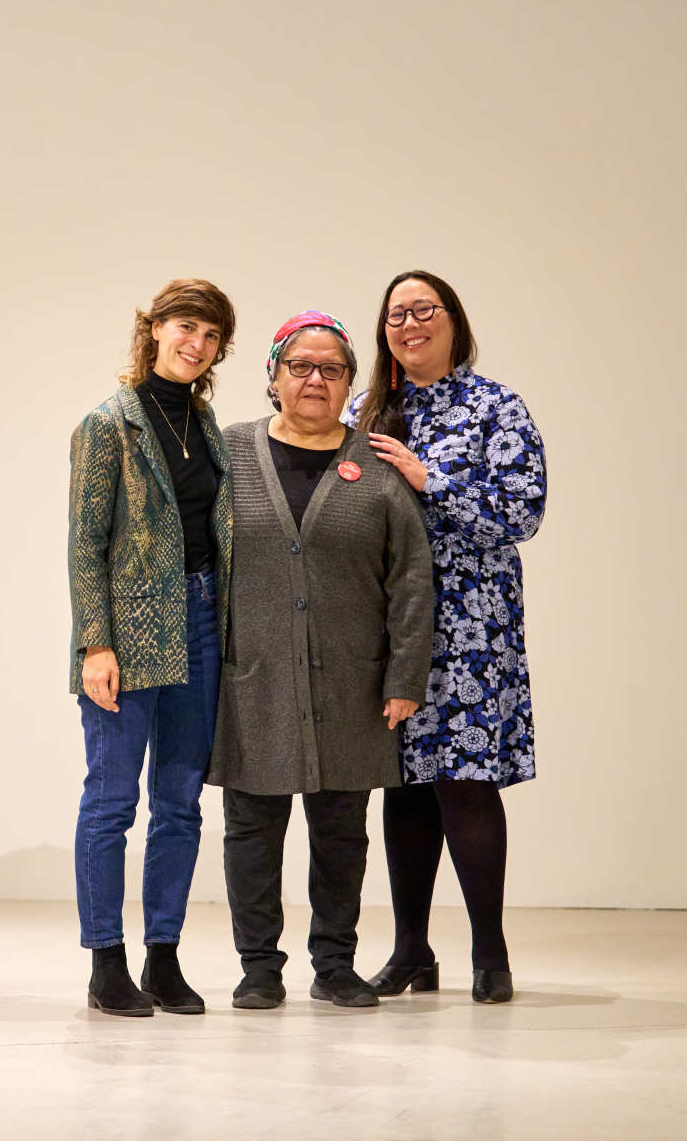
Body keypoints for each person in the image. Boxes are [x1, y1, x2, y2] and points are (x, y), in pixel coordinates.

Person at [208, 311, 434, 1010]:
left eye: (331, 369)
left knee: (341, 831)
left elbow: (411, 578)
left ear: (349, 383)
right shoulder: (229, 453)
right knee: (253, 830)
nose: (315, 379)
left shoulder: (378, 464)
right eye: (300, 367)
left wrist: (404, 677)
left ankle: (335, 964)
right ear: (273, 377)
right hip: (253, 683)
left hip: (353, 686)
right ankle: (258, 967)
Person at [347, 270, 548, 1005]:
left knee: (464, 781)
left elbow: (523, 514)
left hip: (471, 623)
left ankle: (490, 954)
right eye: (397, 313)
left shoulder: (497, 407)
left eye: (424, 309)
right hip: (389, 625)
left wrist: (432, 482)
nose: (410, 323)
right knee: (401, 784)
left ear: (454, 322)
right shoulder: (366, 409)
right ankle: (410, 951)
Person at [67, 278, 237, 1017]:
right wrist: (95, 644)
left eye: (210, 337)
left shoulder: (209, 428)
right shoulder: (108, 425)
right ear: (155, 328)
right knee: (112, 801)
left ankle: (162, 957)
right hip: (128, 635)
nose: (195, 344)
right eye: (185, 327)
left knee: (181, 804)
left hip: (200, 625)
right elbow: (83, 545)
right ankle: (107, 963)